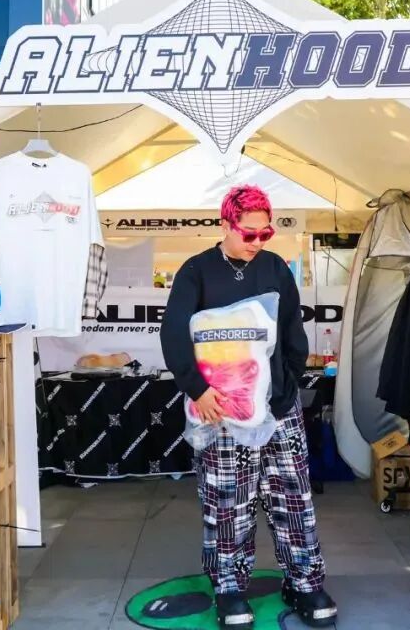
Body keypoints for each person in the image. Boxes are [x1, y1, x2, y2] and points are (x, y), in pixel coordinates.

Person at [160, 185, 336, 629]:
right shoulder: (196, 271)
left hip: (277, 407)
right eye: (249, 233)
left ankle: (305, 582)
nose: (257, 242)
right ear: (226, 224)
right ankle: (229, 589)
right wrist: (198, 390)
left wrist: (287, 384)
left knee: (292, 497)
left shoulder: (275, 268)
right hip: (219, 410)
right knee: (228, 503)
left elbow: (293, 331)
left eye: (265, 233)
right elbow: (174, 333)